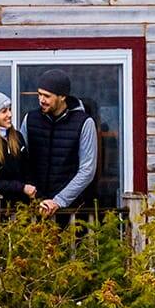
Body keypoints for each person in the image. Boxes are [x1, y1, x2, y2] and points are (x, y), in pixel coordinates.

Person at [24, 68, 97, 220]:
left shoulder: (84, 123)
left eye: (47, 96)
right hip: (35, 207)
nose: (41, 100)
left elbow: (87, 170)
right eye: (39, 94)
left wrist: (59, 200)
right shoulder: (30, 119)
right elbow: (20, 160)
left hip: (72, 212)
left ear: (62, 96)